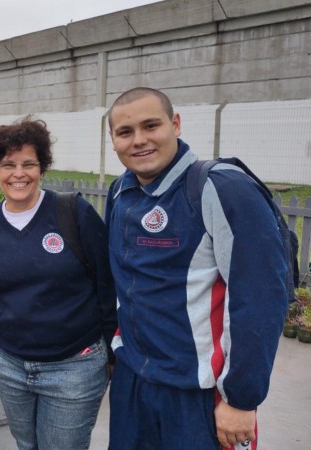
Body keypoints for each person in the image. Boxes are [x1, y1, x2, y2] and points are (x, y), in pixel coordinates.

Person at [104, 87, 289, 449]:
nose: (139, 140)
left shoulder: (221, 188)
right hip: (134, 382)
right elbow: (120, 283)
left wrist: (240, 398)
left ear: (175, 124)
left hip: (199, 392)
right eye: (125, 132)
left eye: (151, 126)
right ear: (113, 140)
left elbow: (261, 298)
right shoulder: (119, 192)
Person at [0, 117, 117, 450]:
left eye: (28, 164)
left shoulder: (73, 212)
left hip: (73, 365)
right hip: (8, 362)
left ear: (42, 167)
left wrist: (111, 350)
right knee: (27, 444)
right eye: (8, 164)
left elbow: (106, 284)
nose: (18, 173)